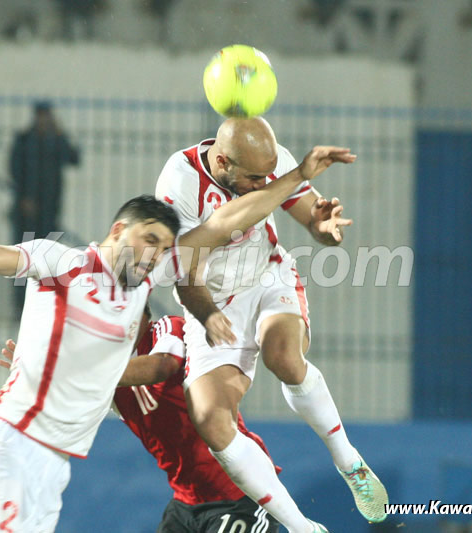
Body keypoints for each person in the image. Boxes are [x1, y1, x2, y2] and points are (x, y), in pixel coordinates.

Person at [0, 143, 351, 532]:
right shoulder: (61, 263)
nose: (155, 254)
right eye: (148, 239)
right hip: (12, 441)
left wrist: (296, 177)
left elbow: (222, 223)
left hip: (55, 462)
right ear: (118, 231)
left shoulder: (145, 297)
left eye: (162, 246)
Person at [154, 117, 388, 529]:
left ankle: (347, 460)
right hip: (211, 297)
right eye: (253, 179)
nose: (263, 185)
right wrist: (208, 316)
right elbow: (184, 271)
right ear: (223, 161)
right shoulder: (180, 181)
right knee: (210, 418)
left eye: (268, 177)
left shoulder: (267, 162)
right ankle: (302, 526)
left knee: (284, 356)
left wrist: (325, 228)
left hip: (268, 276)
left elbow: (312, 218)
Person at [0, 306, 303, 533]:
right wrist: (36, 377)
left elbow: (162, 366)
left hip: (240, 492)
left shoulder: (167, 329)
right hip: (186, 503)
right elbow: (64, 414)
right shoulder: (102, 374)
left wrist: (74, 372)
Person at [9, 101, 80, 314]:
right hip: (26, 213)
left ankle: (44, 306)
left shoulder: (55, 140)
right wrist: (24, 197)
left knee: (48, 260)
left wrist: (61, 135)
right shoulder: (23, 140)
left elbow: (74, 159)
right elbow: (14, 170)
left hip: (50, 210)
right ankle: (20, 307)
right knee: (22, 261)